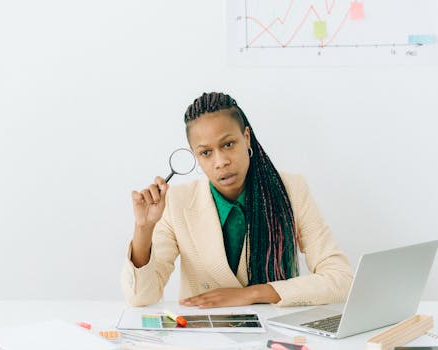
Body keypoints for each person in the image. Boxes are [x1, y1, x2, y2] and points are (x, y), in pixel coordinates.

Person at [121, 92, 353, 308]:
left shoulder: (290, 189)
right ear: (196, 157)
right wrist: (144, 228)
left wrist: (252, 294)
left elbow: (341, 279)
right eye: (206, 152)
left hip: (275, 335)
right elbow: (141, 297)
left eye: (228, 144)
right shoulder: (176, 202)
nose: (220, 161)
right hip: (205, 336)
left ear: (246, 137)